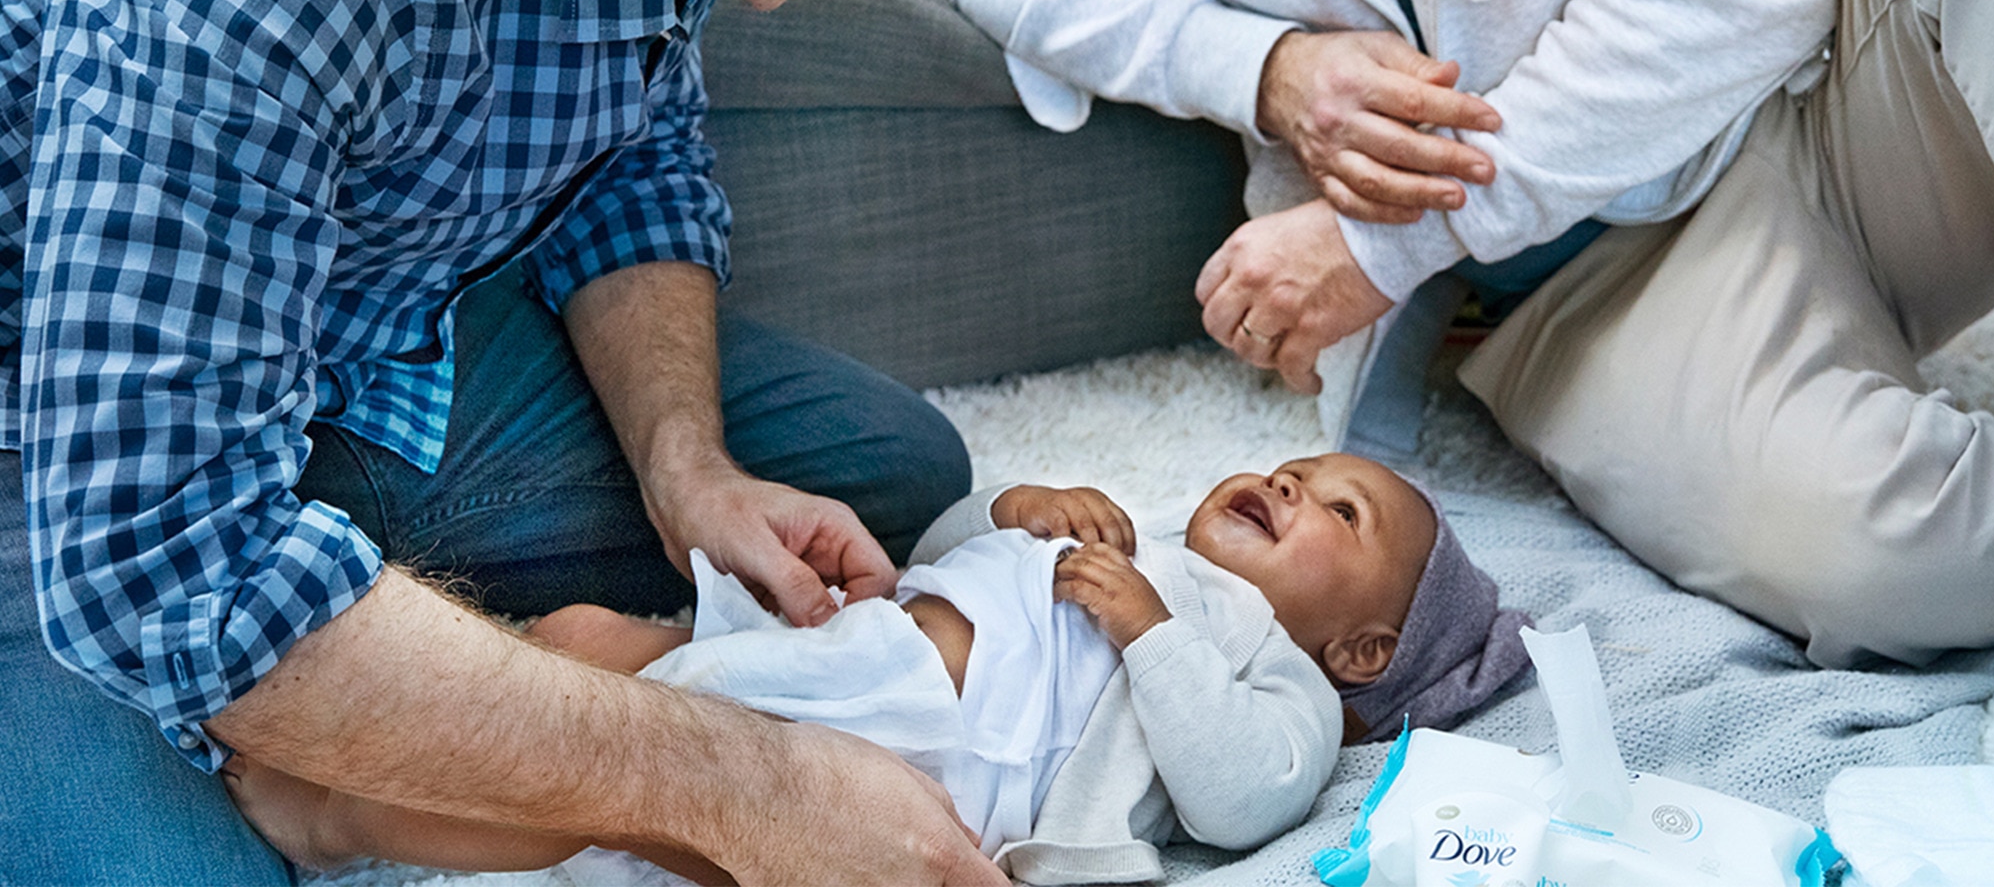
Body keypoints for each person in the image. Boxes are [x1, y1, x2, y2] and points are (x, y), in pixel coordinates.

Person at [0, 0, 1164, 883]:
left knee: (891, 470)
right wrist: (751, 789)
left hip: (353, 324)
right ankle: (330, 661)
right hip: (56, 452)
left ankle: (360, 619)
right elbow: (163, 564)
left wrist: (685, 467)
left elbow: (631, 157)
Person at [931, 0, 1994, 668]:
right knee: (1880, 564)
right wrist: (1259, 68)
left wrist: (1390, 239)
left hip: (1842, 100)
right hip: (1596, 289)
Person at [216, 452, 1531, 882]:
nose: (1289, 481)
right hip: (856, 661)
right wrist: (1016, 512)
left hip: (913, 762)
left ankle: (332, 804)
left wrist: (1153, 633)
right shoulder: (1126, 533)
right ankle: (347, 737)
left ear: (1359, 645)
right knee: (585, 651)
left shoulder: (1275, 675)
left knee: (604, 776)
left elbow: (1236, 800)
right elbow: (945, 571)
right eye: (1294, 470)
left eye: (1334, 514)